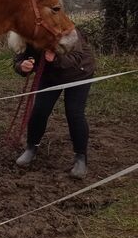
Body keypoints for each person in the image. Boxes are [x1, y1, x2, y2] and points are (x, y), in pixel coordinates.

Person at [12, 29, 96, 179]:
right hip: (50, 75)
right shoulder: (28, 32)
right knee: (39, 111)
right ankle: (31, 148)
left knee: (74, 112)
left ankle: (81, 158)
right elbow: (20, 57)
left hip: (78, 73)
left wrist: (55, 59)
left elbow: (76, 57)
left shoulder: (66, 29)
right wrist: (22, 66)